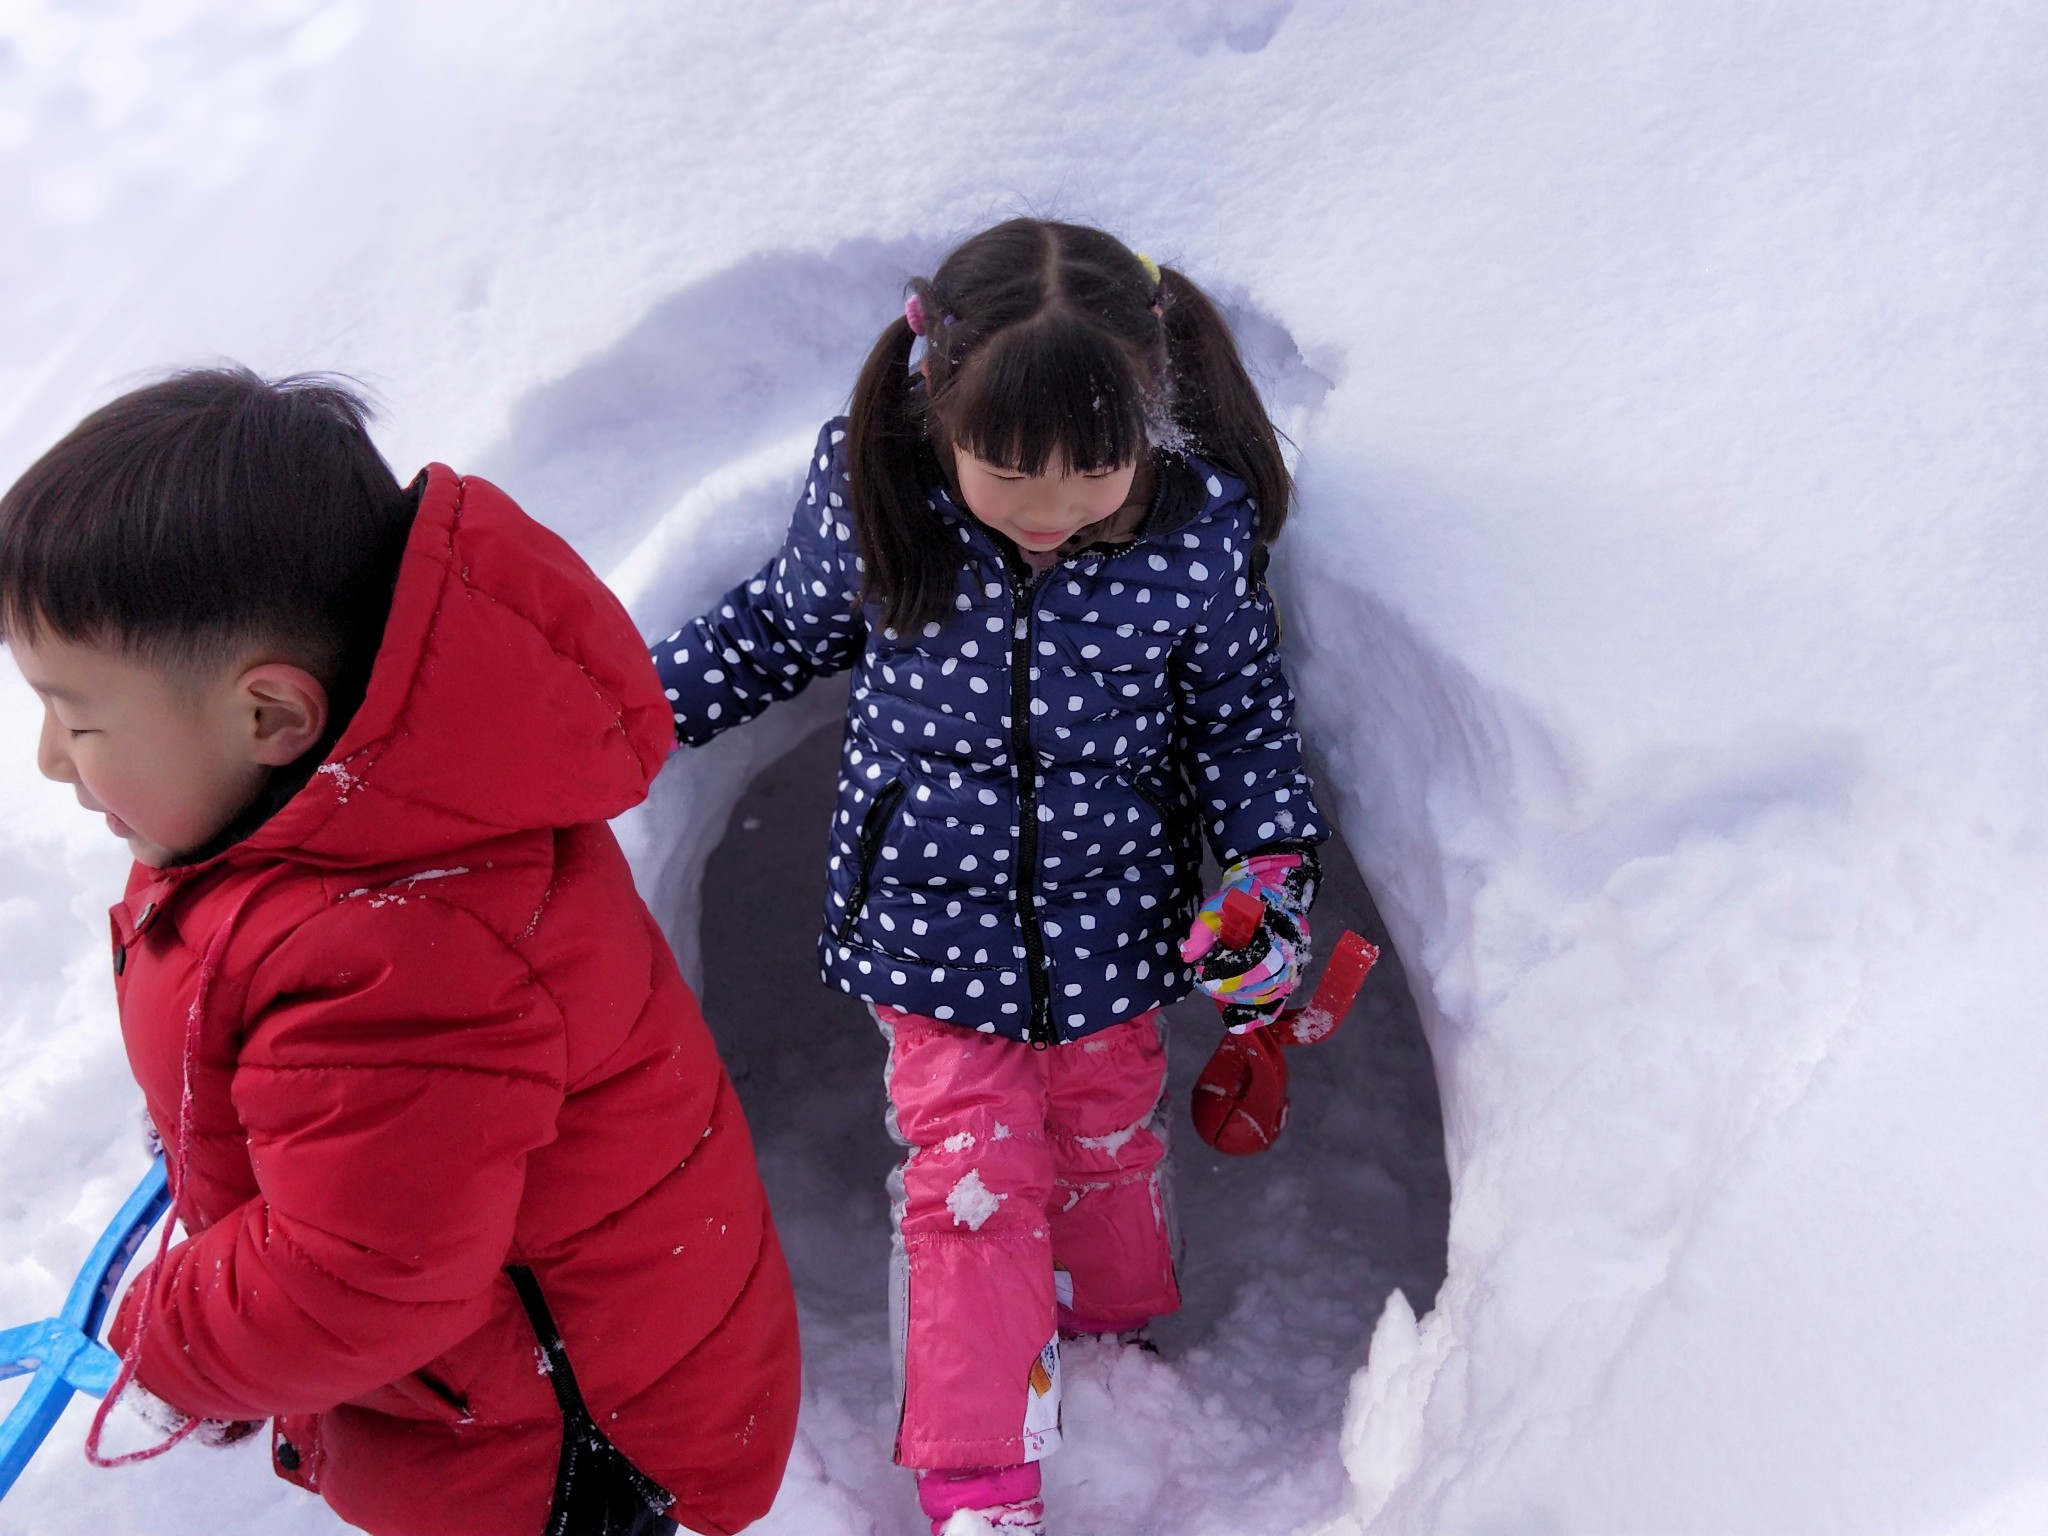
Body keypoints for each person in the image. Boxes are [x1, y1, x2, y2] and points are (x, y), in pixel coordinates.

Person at [0, 369, 800, 1536]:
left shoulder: (397, 954)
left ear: (272, 718)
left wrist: (160, 1337)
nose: (49, 761)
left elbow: (355, 1281)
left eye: (77, 720)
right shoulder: (325, 823)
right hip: (530, 1381)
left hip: (560, 1457)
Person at [652, 218, 1327, 1535]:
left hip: (1111, 925)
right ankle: (978, 1480)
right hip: (925, 932)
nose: (1051, 509)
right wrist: (620, 705)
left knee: (1105, 1147)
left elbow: (1239, 722)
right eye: (1009, 469)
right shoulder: (885, 504)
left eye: (1092, 469)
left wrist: (1268, 874)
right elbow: (771, 635)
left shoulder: (1188, 544)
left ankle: (1107, 1350)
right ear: (936, 409)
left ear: (1151, 414)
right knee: (970, 1186)